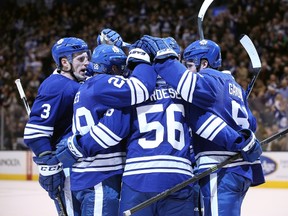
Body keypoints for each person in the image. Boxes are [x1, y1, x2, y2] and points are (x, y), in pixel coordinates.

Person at [141, 36, 265, 216]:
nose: (189, 70)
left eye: (190, 65)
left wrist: (163, 56)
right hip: (240, 171)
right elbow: (251, 123)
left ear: (204, 64)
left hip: (222, 168)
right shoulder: (234, 85)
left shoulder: (207, 79)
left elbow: (204, 121)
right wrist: (246, 141)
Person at [55, 42, 159, 216]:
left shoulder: (87, 87)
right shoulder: (104, 83)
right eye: (121, 67)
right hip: (100, 176)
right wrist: (143, 62)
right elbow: (140, 90)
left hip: (85, 175)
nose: (125, 72)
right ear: (112, 68)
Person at [23, 37, 91, 215]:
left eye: (87, 57)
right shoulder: (57, 86)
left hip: (80, 167)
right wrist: (48, 163)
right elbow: (35, 133)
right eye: (80, 59)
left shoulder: (75, 83)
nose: (87, 63)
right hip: (67, 168)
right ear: (65, 63)